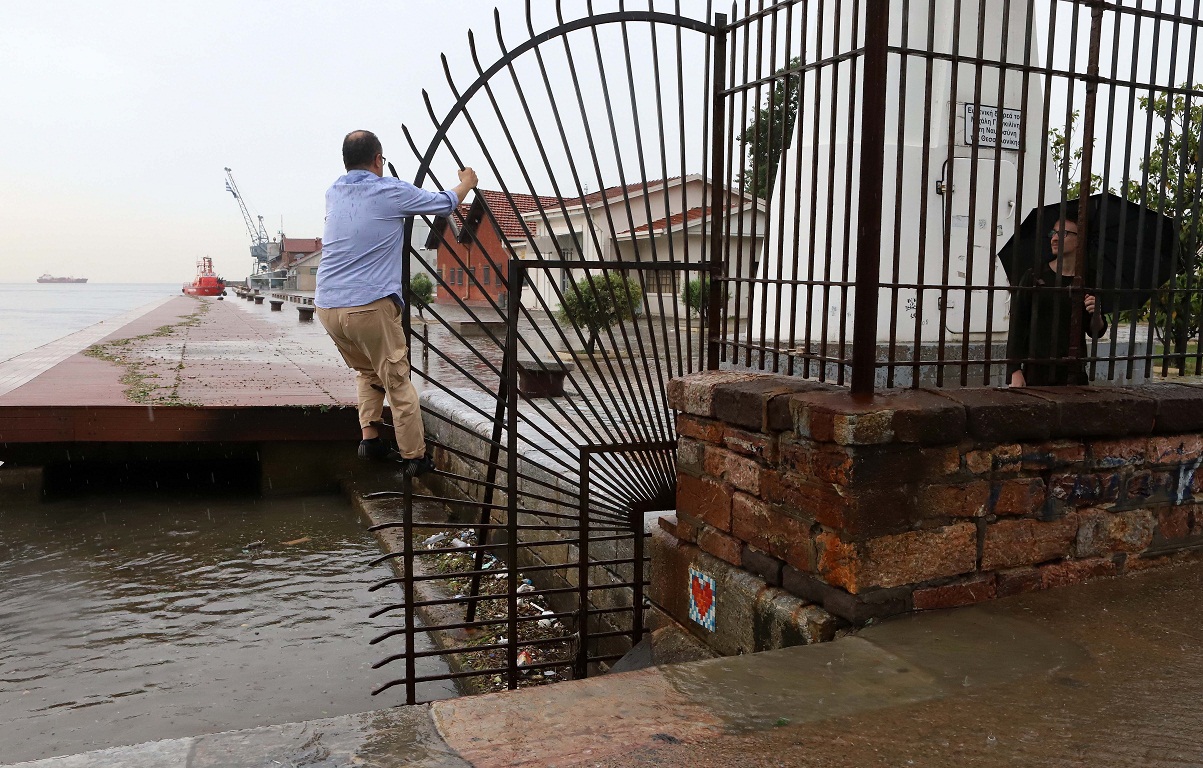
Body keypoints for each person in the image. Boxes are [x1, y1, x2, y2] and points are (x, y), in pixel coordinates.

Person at [316, 129, 478, 475]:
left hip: (327, 306)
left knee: (367, 370)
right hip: (369, 305)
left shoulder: (334, 192)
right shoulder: (389, 189)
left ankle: (370, 437)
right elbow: (446, 203)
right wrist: (467, 182)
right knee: (398, 381)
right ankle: (414, 458)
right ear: (378, 160)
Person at [1007, 218, 1108, 387]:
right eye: (1053, 233)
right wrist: (1015, 371)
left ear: (1079, 240)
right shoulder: (1035, 276)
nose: (1054, 238)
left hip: (1073, 372)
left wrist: (1096, 314)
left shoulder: (1088, 278)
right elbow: (1018, 324)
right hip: (1036, 370)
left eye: (1063, 234)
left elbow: (1095, 331)